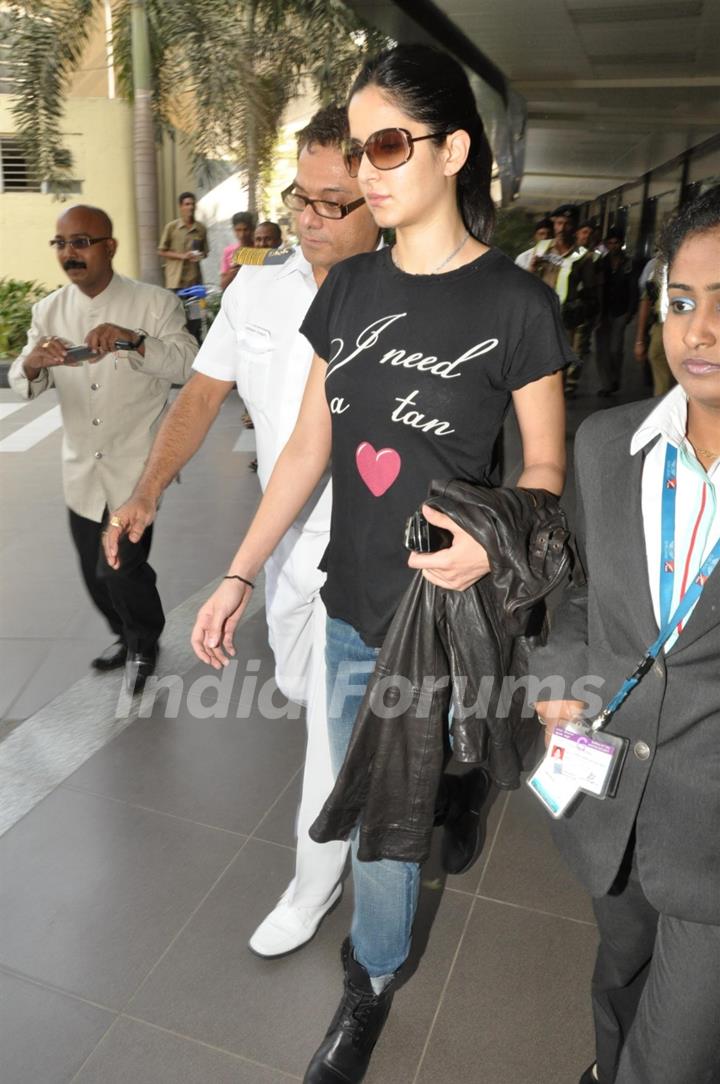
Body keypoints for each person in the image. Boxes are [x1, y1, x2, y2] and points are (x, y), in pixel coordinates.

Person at [189, 43, 571, 1084]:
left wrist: (487, 539)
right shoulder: (347, 289)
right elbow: (309, 448)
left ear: (452, 149)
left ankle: (378, 948)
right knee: (383, 824)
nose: (366, 172)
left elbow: (543, 465)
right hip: (361, 610)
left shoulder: (517, 307)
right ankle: (373, 977)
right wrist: (236, 574)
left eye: (388, 145)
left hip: (456, 606)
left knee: (408, 799)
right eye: (359, 150)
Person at [103, 104, 381, 958]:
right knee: (311, 707)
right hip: (284, 540)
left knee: (331, 731)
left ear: (380, 196)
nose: (308, 218)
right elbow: (201, 395)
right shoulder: (257, 287)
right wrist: (149, 487)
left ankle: (311, 887)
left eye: (335, 202)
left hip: (372, 555)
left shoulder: (409, 299)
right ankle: (391, 783)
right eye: (302, 196)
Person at [531, 184, 720, 1084]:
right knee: (617, 977)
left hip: (716, 833)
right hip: (611, 802)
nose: (699, 332)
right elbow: (576, 592)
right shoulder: (608, 445)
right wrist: (559, 674)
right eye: (682, 303)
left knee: (674, 1054)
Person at [8, 204, 196, 692]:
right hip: (81, 473)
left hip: (137, 469)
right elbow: (25, 379)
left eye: (81, 242)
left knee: (117, 567)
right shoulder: (48, 310)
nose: (70, 253)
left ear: (109, 246)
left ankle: (144, 643)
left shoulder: (154, 303)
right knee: (94, 578)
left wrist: (134, 342)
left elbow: (188, 366)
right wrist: (32, 363)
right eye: (62, 243)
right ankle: (125, 635)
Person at [158, 192, 209, 341]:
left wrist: (200, 255)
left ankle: (195, 351)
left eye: (193, 204)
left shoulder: (201, 229)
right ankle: (177, 351)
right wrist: (182, 256)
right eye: (187, 204)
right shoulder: (172, 228)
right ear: (181, 207)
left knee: (195, 321)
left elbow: (206, 252)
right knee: (176, 320)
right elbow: (161, 251)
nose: (190, 207)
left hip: (194, 284)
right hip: (175, 284)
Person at [595, 227, 638, 396]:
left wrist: (630, 311)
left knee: (615, 349)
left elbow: (633, 288)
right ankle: (607, 384)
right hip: (602, 312)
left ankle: (615, 379)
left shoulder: (628, 264)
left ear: (621, 244)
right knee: (602, 350)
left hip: (620, 311)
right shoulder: (600, 262)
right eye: (610, 243)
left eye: (617, 242)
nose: (613, 246)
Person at [634, 254, 674, 396]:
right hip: (661, 324)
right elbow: (646, 300)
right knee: (656, 355)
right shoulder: (656, 265)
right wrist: (640, 339)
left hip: (685, 324)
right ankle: (663, 403)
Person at [220, 211, 256, 291]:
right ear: (234, 230)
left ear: (252, 229)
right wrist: (233, 271)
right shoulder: (229, 251)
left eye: (245, 230)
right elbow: (223, 285)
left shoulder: (260, 249)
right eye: (238, 230)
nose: (242, 234)